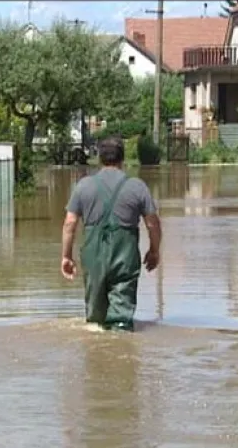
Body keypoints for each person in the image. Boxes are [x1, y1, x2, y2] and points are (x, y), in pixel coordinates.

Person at [60, 136, 162, 332]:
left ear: (99, 158)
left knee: (95, 322)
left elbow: (69, 223)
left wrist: (66, 256)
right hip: (125, 257)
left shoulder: (83, 186)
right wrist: (154, 250)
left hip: (93, 257)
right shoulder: (137, 186)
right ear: (122, 159)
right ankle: (121, 348)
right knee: (121, 319)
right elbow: (153, 224)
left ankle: (96, 355)